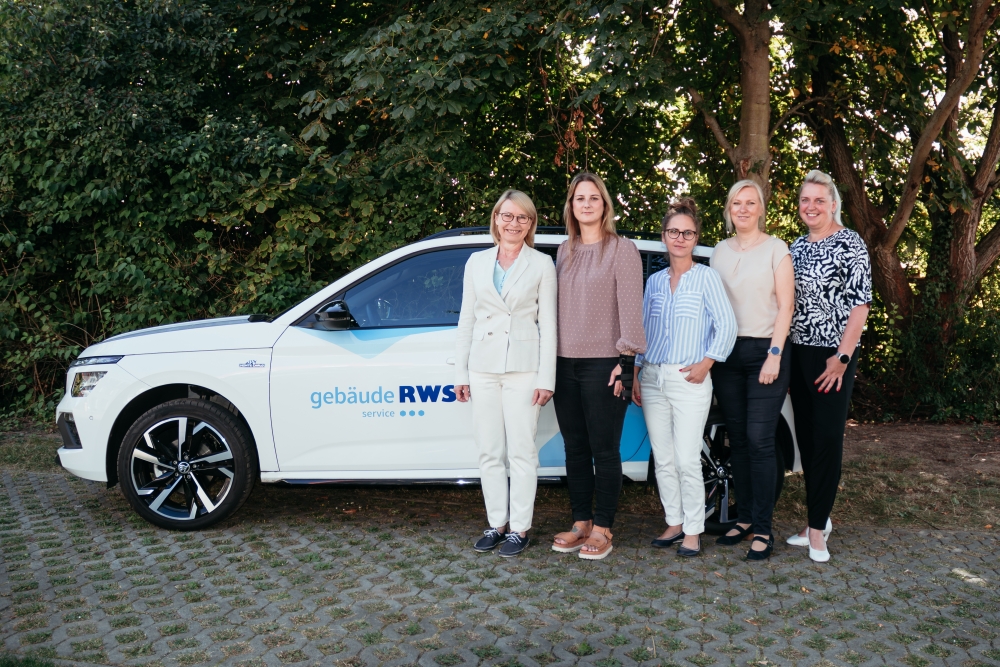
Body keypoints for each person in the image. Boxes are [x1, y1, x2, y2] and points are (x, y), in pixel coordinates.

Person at [455, 189, 557, 558]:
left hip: (523, 369)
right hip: (482, 367)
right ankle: (496, 523)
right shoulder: (476, 262)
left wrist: (547, 378)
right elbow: (467, 319)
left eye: (522, 218)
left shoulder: (542, 264)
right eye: (507, 216)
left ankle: (520, 528)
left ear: (530, 224)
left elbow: (549, 323)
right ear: (496, 218)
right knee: (489, 450)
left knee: (522, 452)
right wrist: (461, 372)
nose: (514, 223)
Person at [632, 198, 737, 558]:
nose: (680, 238)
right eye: (674, 231)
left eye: (687, 233)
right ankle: (674, 521)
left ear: (695, 238)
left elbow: (727, 326)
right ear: (665, 236)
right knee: (662, 458)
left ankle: (694, 529)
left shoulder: (707, 278)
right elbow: (644, 330)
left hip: (690, 379)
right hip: (653, 378)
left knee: (687, 458)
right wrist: (636, 371)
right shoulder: (655, 282)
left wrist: (707, 363)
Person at [550, 172, 646, 561]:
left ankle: (604, 527)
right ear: (571, 206)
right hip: (564, 363)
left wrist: (626, 362)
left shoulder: (622, 249)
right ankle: (581, 521)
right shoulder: (562, 250)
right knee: (574, 447)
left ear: (605, 205)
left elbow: (631, 310)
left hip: (605, 364)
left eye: (594, 198)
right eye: (579, 198)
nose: (586, 204)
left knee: (604, 449)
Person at [786, 170, 872, 563]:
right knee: (806, 440)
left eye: (819, 200)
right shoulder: (796, 247)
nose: (811, 206)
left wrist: (841, 358)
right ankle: (816, 516)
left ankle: (818, 530)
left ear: (833, 204)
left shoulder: (850, 243)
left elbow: (860, 306)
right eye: (806, 200)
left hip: (833, 356)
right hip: (799, 352)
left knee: (826, 440)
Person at [709, 180, 795, 560]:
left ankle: (763, 528)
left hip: (766, 350)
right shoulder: (718, 253)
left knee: (761, 441)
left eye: (750, 203)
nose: (742, 209)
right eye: (736, 203)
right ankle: (743, 518)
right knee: (739, 440)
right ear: (728, 210)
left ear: (761, 208)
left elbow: (786, 307)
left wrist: (775, 354)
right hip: (727, 354)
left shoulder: (777, 249)